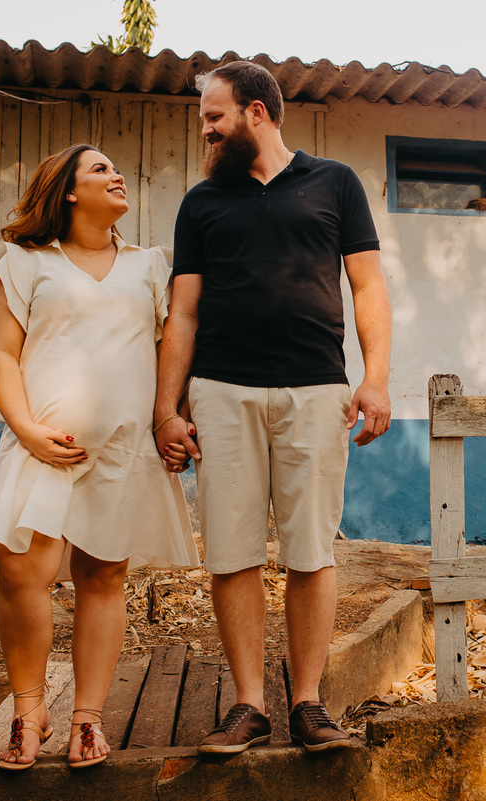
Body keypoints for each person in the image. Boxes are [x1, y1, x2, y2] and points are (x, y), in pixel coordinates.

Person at [154, 61, 392, 754]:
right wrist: (167, 408)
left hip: (315, 389)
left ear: (256, 112)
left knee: (311, 550)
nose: (206, 130)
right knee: (231, 554)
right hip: (220, 392)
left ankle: (309, 704)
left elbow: (368, 287)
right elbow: (183, 311)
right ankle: (249, 705)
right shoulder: (202, 203)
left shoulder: (335, 183)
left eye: (214, 117)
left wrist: (375, 378)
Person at [0, 144, 200, 770]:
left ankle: (87, 719)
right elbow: (1, 354)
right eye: (100, 169)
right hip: (41, 446)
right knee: (22, 575)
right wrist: (26, 429)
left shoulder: (149, 266)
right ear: (67, 190)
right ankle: (28, 709)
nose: (118, 175)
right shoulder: (23, 262)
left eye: (116, 168)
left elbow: (173, 350)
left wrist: (172, 416)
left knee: (103, 577)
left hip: (123, 452)